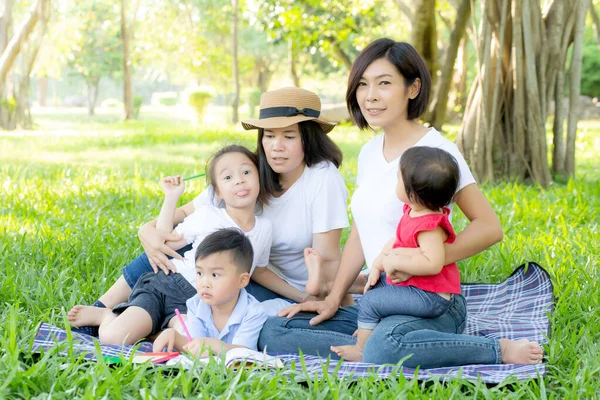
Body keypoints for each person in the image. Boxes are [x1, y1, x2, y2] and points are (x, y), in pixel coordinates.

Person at [262, 38, 544, 368]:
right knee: (274, 331)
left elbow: (489, 227)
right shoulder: (369, 153)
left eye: (384, 83)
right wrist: (334, 298)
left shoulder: (437, 151)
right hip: (382, 298)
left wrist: (427, 259)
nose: (370, 96)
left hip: (430, 300)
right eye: (363, 84)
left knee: (385, 348)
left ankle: (496, 350)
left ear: (413, 88)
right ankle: (383, 343)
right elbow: (360, 231)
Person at [72, 87, 355, 337]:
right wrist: (148, 231)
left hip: (278, 285)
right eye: (269, 135)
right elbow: (181, 214)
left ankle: (154, 323)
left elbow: (327, 258)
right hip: (229, 272)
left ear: (308, 137)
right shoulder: (250, 174)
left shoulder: (321, 179)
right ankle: (102, 308)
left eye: (289, 136)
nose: (276, 147)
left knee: (226, 304)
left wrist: (327, 298)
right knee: (177, 250)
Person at [68, 145, 273, 344]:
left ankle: (155, 328)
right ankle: (105, 316)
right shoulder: (208, 215)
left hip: (197, 304)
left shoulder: (265, 228)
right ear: (217, 192)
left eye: (246, 172)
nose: (239, 181)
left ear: (259, 177)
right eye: (228, 177)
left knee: (192, 343)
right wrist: (171, 197)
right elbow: (164, 241)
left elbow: (260, 271)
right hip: (166, 285)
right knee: (114, 338)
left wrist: (301, 295)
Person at [331, 146, 462, 361]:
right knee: (377, 286)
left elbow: (433, 263)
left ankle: (362, 348)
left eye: (399, 179)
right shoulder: (414, 211)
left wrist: (397, 261)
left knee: (371, 301)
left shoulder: (429, 226)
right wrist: (380, 262)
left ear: (412, 193)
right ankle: (368, 328)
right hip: (417, 289)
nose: (396, 183)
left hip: (431, 297)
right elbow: (397, 240)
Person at [151, 228, 268, 355]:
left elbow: (244, 354)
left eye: (215, 275)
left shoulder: (253, 312)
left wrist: (217, 346)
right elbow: (194, 346)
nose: (204, 283)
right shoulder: (195, 304)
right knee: (176, 330)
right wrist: (175, 337)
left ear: (242, 280)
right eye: (200, 273)